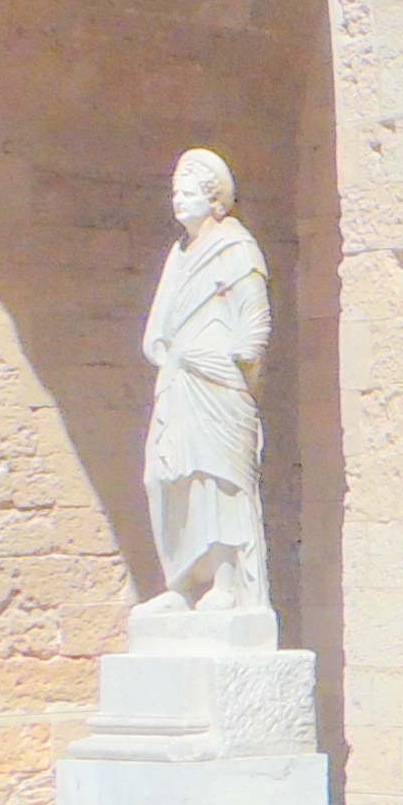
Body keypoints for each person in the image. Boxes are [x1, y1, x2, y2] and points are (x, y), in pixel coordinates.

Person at [139, 147, 273, 617]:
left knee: (216, 480)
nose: (178, 199)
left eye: (189, 192)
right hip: (180, 379)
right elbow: (163, 318)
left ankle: (226, 580)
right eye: (175, 191)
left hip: (217, 381)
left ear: (214, 200)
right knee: (165, 476)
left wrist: (240, 358)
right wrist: (162, 347)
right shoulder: (179, 254)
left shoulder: (237, 248)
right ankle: (181, 581)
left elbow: (254, 314)